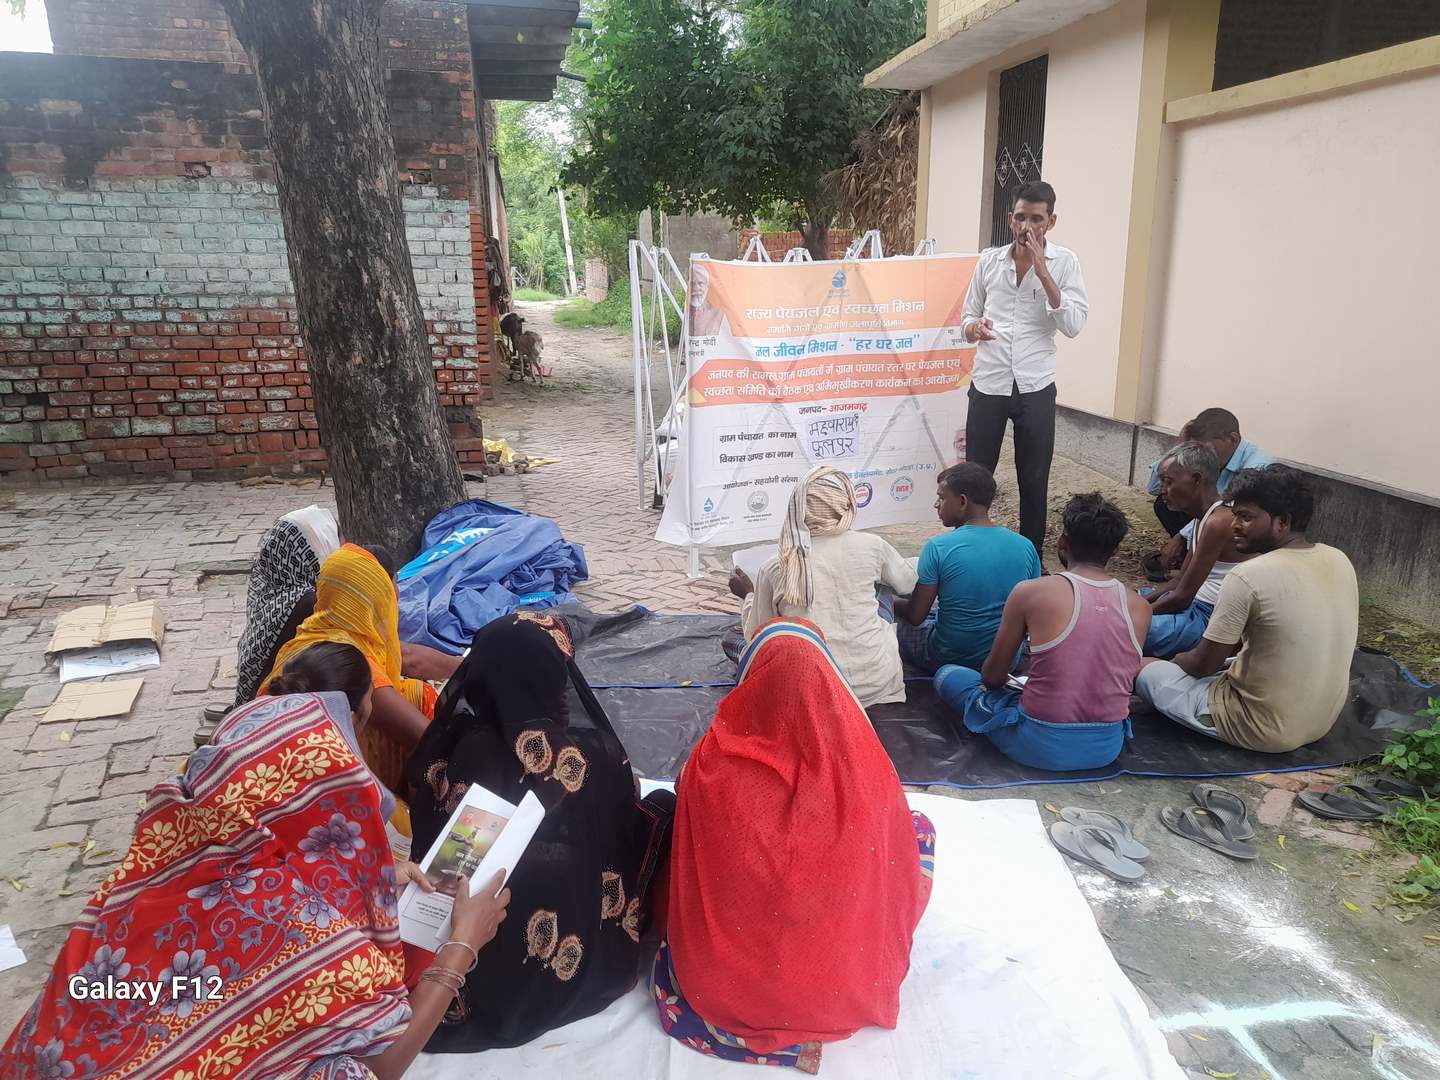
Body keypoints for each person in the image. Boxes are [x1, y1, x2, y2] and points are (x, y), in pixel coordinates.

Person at [1, 648, 511, 1080]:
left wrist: (366, 878)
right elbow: (378, 1067)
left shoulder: (155, 866)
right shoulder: (298, 933)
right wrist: (462, 945)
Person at [655, 618, 933, 1072]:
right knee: (916, 830)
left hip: (723, 991)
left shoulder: (707, 766)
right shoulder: (868, 767)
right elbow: (894, 843)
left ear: (753, 679)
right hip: (845, 987)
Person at [404, 611, 673, 1051]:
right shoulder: (589, 756)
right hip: (575, 947)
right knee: (661, 808)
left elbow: (441, 856)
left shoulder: (453, 750)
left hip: (477, 955)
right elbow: (619, 831)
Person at [1135, 465, 1359, 753]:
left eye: (1246, 517)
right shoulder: (1338, 559)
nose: (1234, 525)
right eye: (1235, 515)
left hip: (1258, 728)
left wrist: (1172, 661)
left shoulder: (1247, 576)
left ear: (1282, 522)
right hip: (1321, 722)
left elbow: (1203, 665)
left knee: (1142, 668)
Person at [933, 494, 1151, 772]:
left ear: (1063, 542)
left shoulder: (1031, 592)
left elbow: (993, 677)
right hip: (1106, 747)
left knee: (948, 675)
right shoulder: (1140, 607)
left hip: (1038, 745)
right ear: (1115, 549)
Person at [261, 544, 461, 793]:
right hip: (308, 784)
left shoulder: (317, 631)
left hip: (271, 763)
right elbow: (425, 737)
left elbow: (407, 657)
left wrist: (468, 664)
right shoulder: (351, 664)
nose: (396, 597)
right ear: (376, 595)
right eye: (391, 590)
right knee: (420, 698)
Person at [961, 180, 1089, 558]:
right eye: (1020, 218)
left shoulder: (1065, 263)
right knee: (976, 476)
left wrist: (1043, 272)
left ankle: (1030, 559)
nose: (1026, 227)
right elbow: (966, 318)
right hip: (989, 381)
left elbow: (1073, 325)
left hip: (1035, 385)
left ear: (1051, 222)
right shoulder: (989, 262)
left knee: (1033, 479)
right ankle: (969, 554)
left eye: (1036, 219)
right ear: (1009, 219)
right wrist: (975, 328)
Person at [729, 466, 917, 706]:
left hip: (812, 691)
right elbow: (908, 583)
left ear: (796, 512)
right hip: (875, 683)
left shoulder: (775, 565)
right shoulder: (873, 546)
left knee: (731, 639)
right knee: (883, 588)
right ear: (844, 507)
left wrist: (749, 595)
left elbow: (758, 635)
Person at [894, 463, 1042, 674]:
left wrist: (889, 602)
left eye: (942, 498)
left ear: (962, 501)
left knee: (896, 623)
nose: (936, 504)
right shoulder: (1025, 546)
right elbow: (1032, 613)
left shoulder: (938, 547)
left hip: (946, 657)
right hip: (1007, 660)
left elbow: (915, 616)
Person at [1142, 442, 1253, 658]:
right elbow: (1179, 581)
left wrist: (1135, 614)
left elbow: (1182, 597)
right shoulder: (1202, 518)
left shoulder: (1218, 522)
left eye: (1168, 481)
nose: (1162, 490)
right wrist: (1137, 605)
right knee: (1120, 600)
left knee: (1123, 628)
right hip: (1192, 605)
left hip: (1207, 617)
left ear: (1196, 479)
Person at [1144, 407, 1273, 573]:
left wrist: (1180, 536)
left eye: (1207, 448)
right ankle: (1190, 557)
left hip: (1238, 529)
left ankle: (1203, 560)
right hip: (1211, 520)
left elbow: (1228, 514)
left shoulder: (1257, 467)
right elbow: (1154, 488)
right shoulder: (1212, 458)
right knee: (1165, 504)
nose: (1203, 454)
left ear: (1233, 439)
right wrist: (1180, 446)